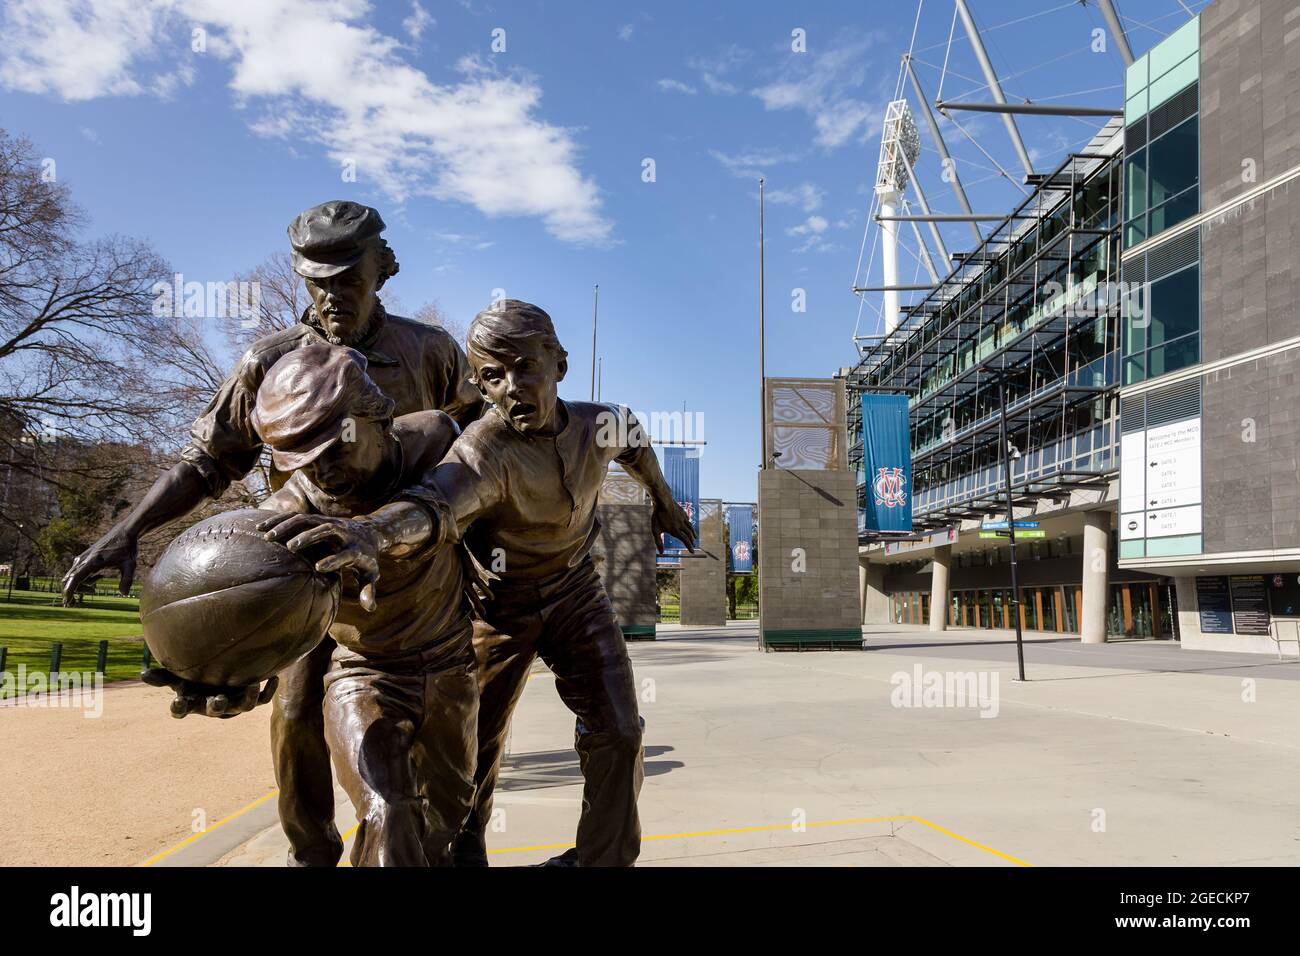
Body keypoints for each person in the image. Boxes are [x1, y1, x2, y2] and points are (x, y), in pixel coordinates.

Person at [61, 200, 483, 867]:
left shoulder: (430, 350)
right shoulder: (271, 359)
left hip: (411, 562)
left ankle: (453, 839)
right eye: (316, 279)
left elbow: (481, 451)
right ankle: (311, 852)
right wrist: (128, 529)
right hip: (300, 560)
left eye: (347, 276)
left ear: (384, 268)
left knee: (450, 726)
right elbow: (209, 460)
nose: (331, 293)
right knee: (293, 717)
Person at [299, 299, 696, 866]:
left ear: (559, 363)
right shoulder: (481, 450)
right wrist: (370, 534)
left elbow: (636, 446)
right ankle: (466, 860)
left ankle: (599, 860)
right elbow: (432, 506)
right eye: (491, 375)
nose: (511, 387)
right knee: (469, 762)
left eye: (525, 366)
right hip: (496, 609)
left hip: (577, 595)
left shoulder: (601, 422)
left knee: (621, 730)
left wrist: (663, 501)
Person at [253, 344, 476, 867]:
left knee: (442, 827)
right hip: (363, 671)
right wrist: (218, 665)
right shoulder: (296, 504)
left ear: (376, 416)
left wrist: (372, 533)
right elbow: (251, 570)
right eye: (301, 459)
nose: (321, 472)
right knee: (388, 809)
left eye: (334, 448)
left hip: (449, 666)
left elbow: (453, 501)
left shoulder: (438, 440)